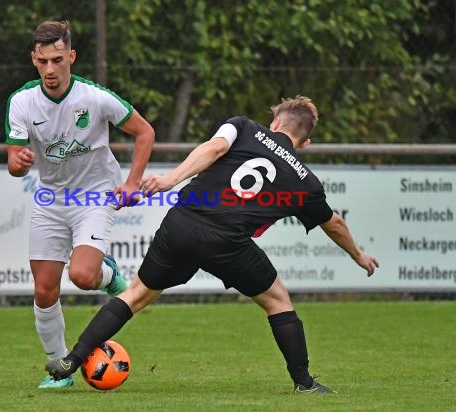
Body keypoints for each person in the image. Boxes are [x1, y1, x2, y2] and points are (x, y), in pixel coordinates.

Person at [44, 96, 379, 394]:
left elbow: (215, 148)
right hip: (228, 242)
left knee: (135, 295)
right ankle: (304, 383)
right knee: (278, 301)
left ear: (275, 122)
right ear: (305, 142)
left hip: (183, 222)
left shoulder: (243, 127)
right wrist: (358, 255)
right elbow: (333, 223)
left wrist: (169, 180)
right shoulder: (305, 181)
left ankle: (72, 359)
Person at [5, 20, 155, 389]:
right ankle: (59, 369)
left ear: (71, 56)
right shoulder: (22, 101)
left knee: (83, 276)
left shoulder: (94, 97)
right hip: (51, 198)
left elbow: (144, 131)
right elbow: (13, 162)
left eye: (57, 60)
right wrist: (19, 162)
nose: (50, 69)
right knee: (44, 290)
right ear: (34, 60)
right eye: (42, 62)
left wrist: (132, 182)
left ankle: (107, 275)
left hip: (94, 194)